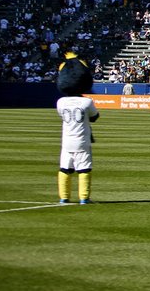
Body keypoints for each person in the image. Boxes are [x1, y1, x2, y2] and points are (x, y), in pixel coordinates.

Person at [56, 54, 99, 205]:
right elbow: (95, 116)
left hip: (66, 140)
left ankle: (64, 197)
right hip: (82, 140)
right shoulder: (87, 102)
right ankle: (84, 198)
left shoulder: (60, 102)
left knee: (65, 168)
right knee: (84, 169)